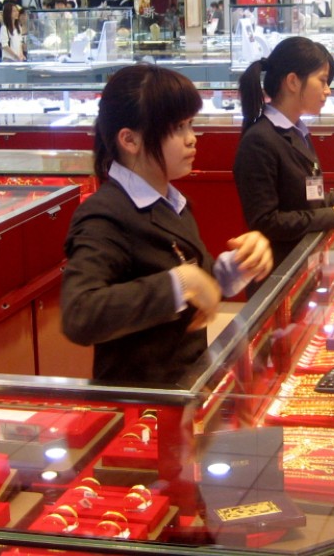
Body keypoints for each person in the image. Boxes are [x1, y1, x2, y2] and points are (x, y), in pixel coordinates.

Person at [61, 64, 273, 384]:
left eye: (190, 124)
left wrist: (236, 268)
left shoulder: (170, 200)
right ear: (129, 140)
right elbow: (80, 314)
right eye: (177, 128)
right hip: (142, 408)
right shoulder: (105, 215)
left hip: (185, 390)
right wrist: (179, 284)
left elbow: (193, 283)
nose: (192, 139)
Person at [233, 36, 334, 271]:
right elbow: (267, 221)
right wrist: (331, 216)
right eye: (322, 81)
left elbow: (307, 196)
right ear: (292, 81)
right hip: (280, 271)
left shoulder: (296, 131)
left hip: (305, 259)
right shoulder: (259, 141)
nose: (327, 90)